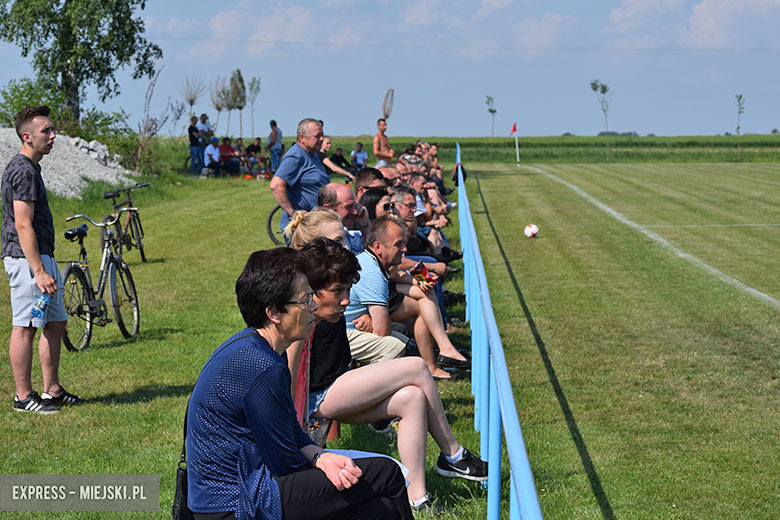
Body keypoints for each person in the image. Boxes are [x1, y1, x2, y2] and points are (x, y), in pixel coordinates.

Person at [186, 247, 412, 519]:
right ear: (274, 313)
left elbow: (289, 427)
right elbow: (285, 462)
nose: (314, 307)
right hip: (236, 503)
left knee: (378, 508)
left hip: (241, 490)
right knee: (386, 473)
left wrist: (320, 456)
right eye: (305, 300)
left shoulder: (256, 346)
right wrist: (324, 467)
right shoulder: (262, 366)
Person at [291, 237, 488, 513]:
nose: (346, 300)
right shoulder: (299, 319)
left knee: (413, 398)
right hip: (317, 401)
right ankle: (453, 454)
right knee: (417, 366)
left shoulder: (332, 311)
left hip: (335, 391)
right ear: (312, 289)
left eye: (348, 290)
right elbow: (290, 383)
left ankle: (416, 498)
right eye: (338, 291)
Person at [2, 105, 84, 414]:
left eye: (52, 129)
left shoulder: (32, 168)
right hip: (26, 261)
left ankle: (52, 391)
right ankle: (23, 397)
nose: (53, 135)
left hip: (41, 258)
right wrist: (38, 270)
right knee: (25, 325)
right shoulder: (21, 170)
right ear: (27, 136)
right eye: (46, 131)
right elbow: (22, 224)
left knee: (56, 321)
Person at [343, 217, 467, 379]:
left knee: (424, 295)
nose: (405, 248)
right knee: (397, 341)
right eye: (398, 244)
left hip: (371, 305)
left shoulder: (373, 260)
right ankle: (440, 354)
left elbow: (395, 272)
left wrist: (419, 280)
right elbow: (382, 331)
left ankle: (440, 356)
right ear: (378, 247)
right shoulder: (373, 273)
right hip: (348, 331)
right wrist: (374, 322)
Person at [269, 118, 329, 231]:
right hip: (302, 228)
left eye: (322, 135)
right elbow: (276, 185)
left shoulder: (312, 153)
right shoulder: (295, 156)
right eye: (317, 136)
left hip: (316, 224)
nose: (321, 139)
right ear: (302, 138)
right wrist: (293, 212)